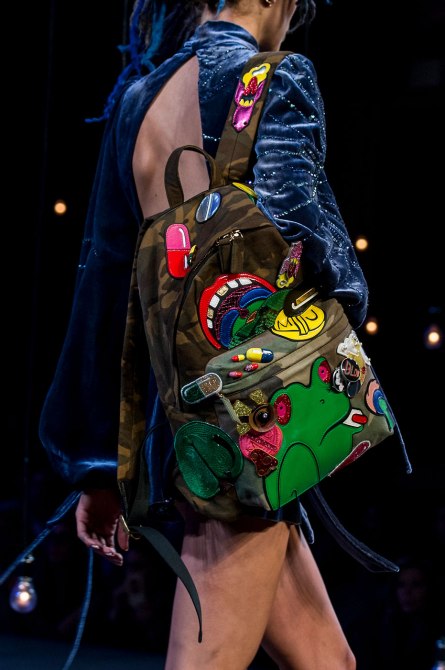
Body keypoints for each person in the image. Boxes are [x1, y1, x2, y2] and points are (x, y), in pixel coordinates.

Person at [39, 1, 379, 667]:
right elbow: (302, 235)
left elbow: (103, 285)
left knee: (330, 663)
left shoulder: (136, 103)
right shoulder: (272, 75)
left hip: (183, 418)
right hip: (254, 420)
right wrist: (347, 297)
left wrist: (96, 466)